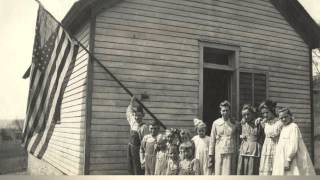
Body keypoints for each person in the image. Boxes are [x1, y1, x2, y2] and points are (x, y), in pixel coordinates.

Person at [272, 107, 316, 175]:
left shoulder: (293, 126)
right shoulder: (283, 128)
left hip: (292, 157)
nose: (284, 119)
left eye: (285, 117)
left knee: (293, 172)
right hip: (282, 156)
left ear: (290, 116)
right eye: (281, 118)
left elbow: (294, 145)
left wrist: (288, 159)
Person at [208, 100, 238, 175]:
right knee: (219, 171)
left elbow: (237, 138)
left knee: (229, 172)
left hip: (230, 151)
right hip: (219, 151)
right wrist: (211, 154)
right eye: (223, 110)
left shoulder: (234, 123)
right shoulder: (216, 123)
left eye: (227, 110)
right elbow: (212, 140)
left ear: (230, 111)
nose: (225, 112)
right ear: (220, 111)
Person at [257, 100, 283, 175]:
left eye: (267, 112)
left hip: (277, 148)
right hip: (267, 149)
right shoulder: (264, 122)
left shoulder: (279, 122)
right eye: (263, 113)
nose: (265, 115)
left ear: (272, 111)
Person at [237, 104, 263, 175]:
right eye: (244, 115)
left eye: (248, 114)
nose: (246, 116)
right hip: (244, 149)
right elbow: (239, 134)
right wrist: (241, 136)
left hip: (254, 150)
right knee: (242, 169)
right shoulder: (242, 123)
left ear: (252, 114)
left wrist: (261, 119)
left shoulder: (258, 123)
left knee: (252, 170)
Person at [126, 96, 148, 175]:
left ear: (143, 115)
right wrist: (132, 101)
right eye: (135, 115)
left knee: (138, 169)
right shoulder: (133, 122)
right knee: (130, 167)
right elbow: (129, 111)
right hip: (130, 148)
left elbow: (145, 144)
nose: (137, 117)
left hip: (138, 151)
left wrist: (143, 158)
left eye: (139, 115)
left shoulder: (144, 127)